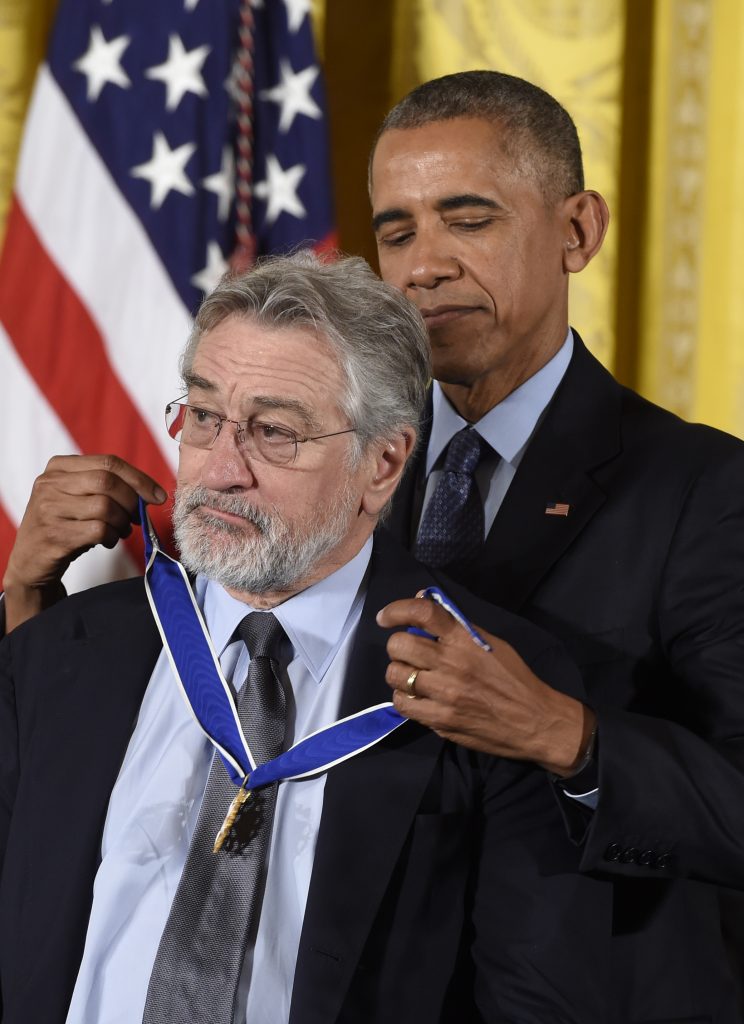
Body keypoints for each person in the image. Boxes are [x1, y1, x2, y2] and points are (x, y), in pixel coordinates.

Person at [2, 71, 744, 1018]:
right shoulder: (298, 453)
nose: (423, 265)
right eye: (397, 232)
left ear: (578, 231)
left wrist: (566, 736)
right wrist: (28, 607)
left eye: (467, 219)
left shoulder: (704, 492)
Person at [0, 251, 613, 1024]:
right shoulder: (65, 648)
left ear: (383, 464)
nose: (221, 468)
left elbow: (539, 1001)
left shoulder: (490, 677)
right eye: (204, 416)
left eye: (274, 432)